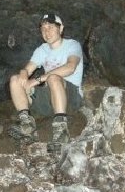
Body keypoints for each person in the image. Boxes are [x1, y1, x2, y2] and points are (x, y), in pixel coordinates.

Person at [8, 13, 84, 147]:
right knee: (15, 80)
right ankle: (27, 126)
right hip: (49, 99)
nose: (46, 32)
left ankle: (61, 129)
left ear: (61, 29)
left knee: (53, 78)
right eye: (43, 29)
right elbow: (27, 69)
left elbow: (70, 67)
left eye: (50, 27)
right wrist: (23, 73)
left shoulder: (72, 45)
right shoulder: (42, 49)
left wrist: (38, 79)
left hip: (70, 98)